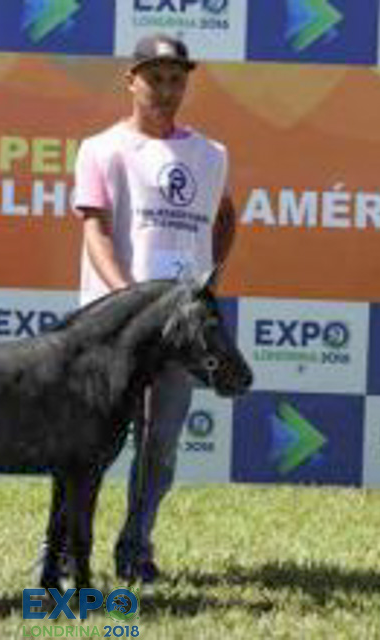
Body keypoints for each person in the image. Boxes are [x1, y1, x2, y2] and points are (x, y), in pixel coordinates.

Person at [72, 33, 237, 583]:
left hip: (179, 334)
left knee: (159, 447)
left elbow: (225, 216)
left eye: (177, 79)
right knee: (90, 449)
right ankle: (69, 554)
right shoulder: (101, 148)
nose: (166, 89)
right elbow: (94, 228)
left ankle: (135, 548)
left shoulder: (211, 155)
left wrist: (207, 280)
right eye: (155, 78)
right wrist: (127, 299)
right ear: (131, 81)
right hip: (111, 330)